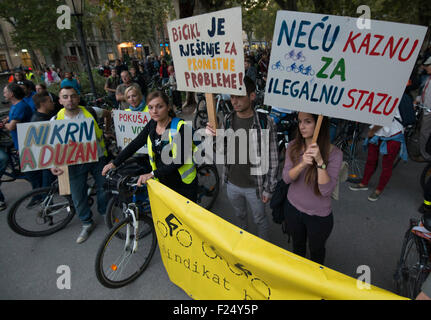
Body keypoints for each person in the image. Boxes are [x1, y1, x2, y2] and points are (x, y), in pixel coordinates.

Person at [205, 76, 279, 241]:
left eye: (239, 96)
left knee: (260, 219)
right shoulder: (228, 119)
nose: (234, 101)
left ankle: (262, 250)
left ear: (252, 96)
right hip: (232, 184)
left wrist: (269, 188)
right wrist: (212, 137)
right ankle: (243, 243)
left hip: (256, 187)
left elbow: (273, 160)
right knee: (240, 216)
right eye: (232, 96)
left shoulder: (265, 122)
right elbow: (221, 150)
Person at [102, 90, 198, 202]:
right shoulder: (152, 124)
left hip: (183, 184)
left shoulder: (181, 127)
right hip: (163, 181)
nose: (154, 111)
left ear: (168, 107)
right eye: (151, 107)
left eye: (159, 106)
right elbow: (135, 143)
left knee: (184, 218)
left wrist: (152, 174)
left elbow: (180, 160)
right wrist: (114, 163)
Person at [50, 86, 108, 244]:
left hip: (97, 158)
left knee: (104, 187)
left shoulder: (91, 111)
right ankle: (87, 223)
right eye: (66, 97)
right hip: (73, 164)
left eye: (73, 96)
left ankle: (105, 212)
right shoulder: (55, 120)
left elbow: (108, 114)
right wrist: (53, 164)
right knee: (77, 195)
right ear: (60, 101)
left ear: (78, 97)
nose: (70, 100)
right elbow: (51, 144)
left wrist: (108, 130)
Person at [282, 113, 342, 264]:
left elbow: (326, 191)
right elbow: (286, 178)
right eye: (300, 121)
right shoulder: (293, 146)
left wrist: (320, 161)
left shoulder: (335, 154)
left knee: (316, 252)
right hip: (293, 208)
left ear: (319, 125)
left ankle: (314, 284)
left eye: (307, 122)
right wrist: (302, 163)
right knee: (298, 247)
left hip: (318, 217)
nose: (301, 126)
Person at [349, 105, 407, 201]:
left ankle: (378, 190)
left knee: (387, 165)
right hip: (378, 133)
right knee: (371, 159)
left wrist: (372, 131)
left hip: (393, 134)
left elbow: (384, 118)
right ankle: (364, 183)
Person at [1, 83, 33, 210]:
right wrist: (6, 120)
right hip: (19, 142)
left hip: (24, 143)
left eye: (5, 92)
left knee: (30, 172)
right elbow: (11, 117)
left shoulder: (20, 106)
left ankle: (39, 195)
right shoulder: (16, 106)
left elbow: (12, 125)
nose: (4, 94)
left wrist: (4, 125)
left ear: (11, 94)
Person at [417, 57, 431, 162]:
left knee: (424, 132)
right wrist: (417, 100)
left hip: (428, 111)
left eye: (428, 66)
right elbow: (424, 93)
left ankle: (425, 155)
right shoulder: (429, 78)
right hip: (424, 108)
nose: (426, 68)